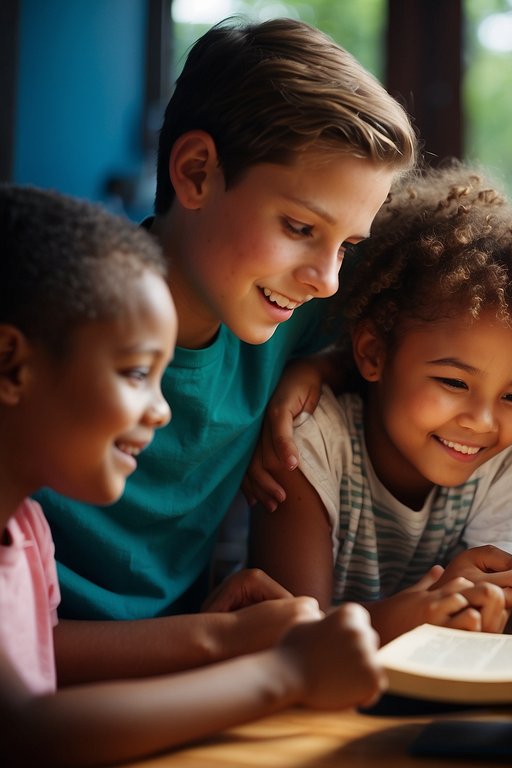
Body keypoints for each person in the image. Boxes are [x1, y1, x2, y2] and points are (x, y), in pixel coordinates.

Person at [31, 18, 417, 683]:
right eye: (300, 227)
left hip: (181, 684)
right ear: (196, 172)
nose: (326, 278)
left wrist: (312, 368)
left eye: (347, 246)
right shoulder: (45, 337)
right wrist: (220, 639)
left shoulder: (293, 316)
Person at [0, 184, 385, 766]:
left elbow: (39, 662)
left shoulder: (24, 530)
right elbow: (25, 730)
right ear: (11, 364)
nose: (160, 410)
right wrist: (286, 673)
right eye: (134, 373)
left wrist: (232, 637)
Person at [248, 166, 512, 643]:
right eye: (452, 381)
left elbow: (488, 616)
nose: (483, 421)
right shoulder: (309, 439)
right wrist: (420, 613)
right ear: (372, 354)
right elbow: (287, 636)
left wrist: (479, 601)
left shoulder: (506, 453)